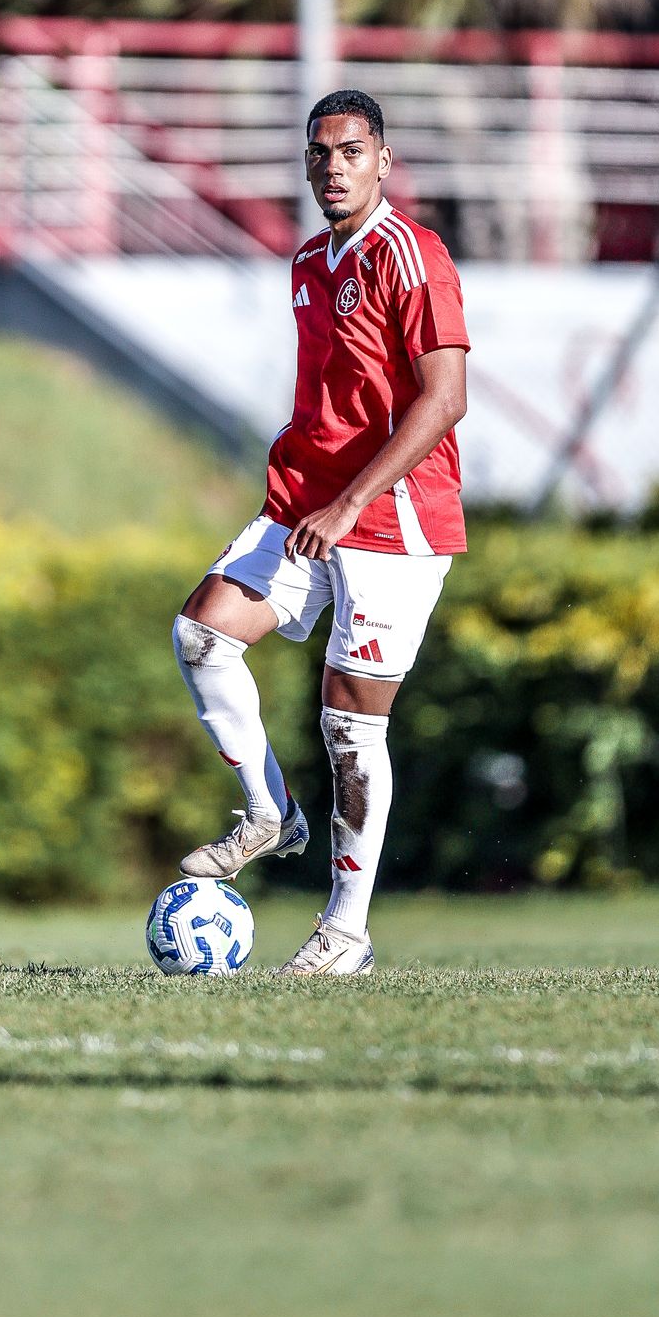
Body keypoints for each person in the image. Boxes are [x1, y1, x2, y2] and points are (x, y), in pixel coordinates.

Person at [172, 89, 469, 974]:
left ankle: (346, 933)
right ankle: (271, 814)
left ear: (383, 161)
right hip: (309, 509)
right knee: (202, 633)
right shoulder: (308, 261)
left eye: (350, 151)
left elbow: (445, 400)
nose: (333, 167)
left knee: (350, 728)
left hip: (394, 519)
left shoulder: (413, 255)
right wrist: (311, 492)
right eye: (319, 153)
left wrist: (350, 503)